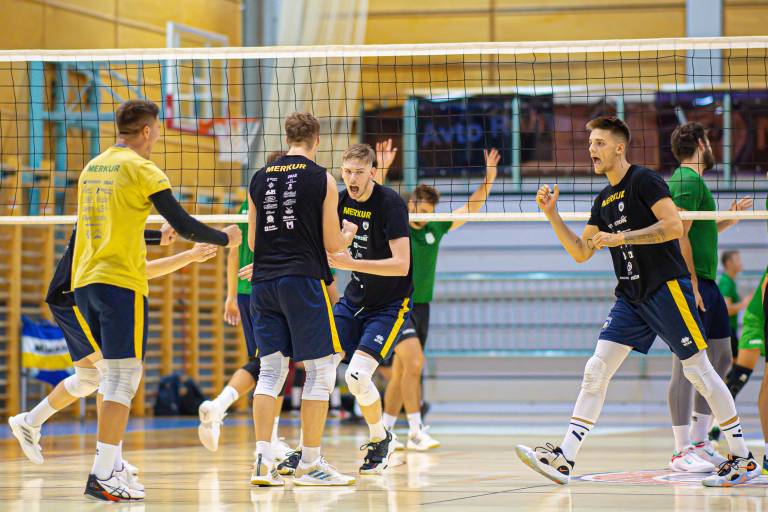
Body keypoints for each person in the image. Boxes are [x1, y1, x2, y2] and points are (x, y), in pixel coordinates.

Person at [515, 115, 759, 488]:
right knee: (596, 370)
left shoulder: (645, 180)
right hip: (631, 297)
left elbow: (673, 226)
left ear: (619, 147)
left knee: (699, 370)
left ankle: (743, 457)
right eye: (590, 143)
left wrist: (623, 237)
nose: (592, 149)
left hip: (666, 287)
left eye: (599, 143)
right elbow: (581, 252)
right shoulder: (603, 200)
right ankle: (565, 457)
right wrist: (552, 216)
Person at [71, 99, 241, 501]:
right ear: (147, 130)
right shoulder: (143, 168)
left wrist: (151, 237)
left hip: (85, 282)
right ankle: (102, 474)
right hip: (120, 285)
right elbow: (183, 224)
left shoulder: (92, 167)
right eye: (158, 128)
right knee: (124, 377)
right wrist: (225, 238)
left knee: (113, 377)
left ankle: (111, 465)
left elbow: (104, 226)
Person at [7, 224, 212, 481]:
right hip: (72, 298)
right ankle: (111, 462)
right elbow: (141, 269)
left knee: (88, 379)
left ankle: (29, 422)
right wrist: (189, 254)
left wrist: (159, 238)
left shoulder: (113, 224)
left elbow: (124, 235)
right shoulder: (104, 221)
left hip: (74, 297)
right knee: (112, 375)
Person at [248, 112, 356, 487]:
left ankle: (263, 461)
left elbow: (253, 243)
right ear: (317, 140)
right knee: (321, 371)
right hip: (302, 281)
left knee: (270, 372)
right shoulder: (321, 178)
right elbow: (333, 244)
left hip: (263, 283)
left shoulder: (259, 177)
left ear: (287, 137)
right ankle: (309, 464)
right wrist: (347, 234)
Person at [380, 146, 499, 451]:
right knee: (414, 363)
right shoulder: (397, 223)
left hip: (422, 306)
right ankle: (415, 431)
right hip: (397, 305)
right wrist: (381, 169)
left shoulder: (436, 225)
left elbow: (470, 208)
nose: (422, 214)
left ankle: (384, 432)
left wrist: (489, 180)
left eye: (427, 211)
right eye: (418, 208)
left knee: (403, 371)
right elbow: (375, 200)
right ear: (410, 204)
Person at [664, 122, 752, 472]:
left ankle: (700, 441)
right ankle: (681, 449)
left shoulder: (695, 182)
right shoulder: (686, 180)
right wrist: (691, 283)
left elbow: (699, 231)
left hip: (707, 282)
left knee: (722, 356)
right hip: (693, 282)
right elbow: (679, 233)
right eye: (709, 141)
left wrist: (729, 219)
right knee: (687, 365)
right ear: (701, 143)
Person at [197, 150, 291, 462]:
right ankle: (223, 410)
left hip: (247, 292)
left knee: (269, 362)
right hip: (270, 290)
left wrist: (231, 295)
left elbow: (233, 253)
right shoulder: (283, 206)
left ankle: (259, 430)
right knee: (273, 363)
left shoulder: (247, 202)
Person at [327, 142, 413, 475]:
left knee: (357, 375)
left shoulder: (390, 204)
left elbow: (402, 265)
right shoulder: (339, 201)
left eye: (359, 172)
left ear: (373, 173)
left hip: (389, 304)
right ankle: (307, 452)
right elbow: (322, 249)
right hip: (354, 299)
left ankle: (380, 438)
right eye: (347, 172)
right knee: (319, 367)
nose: (352, 179)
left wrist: (352, 262)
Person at [719, 250, 749, 359]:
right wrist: (744, 303)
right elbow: (727, 310)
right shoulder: (726, 282)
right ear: (728, 263)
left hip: (730, 329)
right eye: (737, 259)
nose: (741, 262)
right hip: (727, 330)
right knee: (734, 365)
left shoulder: (730, 281)